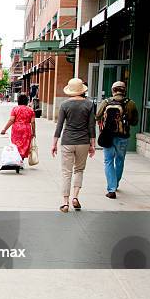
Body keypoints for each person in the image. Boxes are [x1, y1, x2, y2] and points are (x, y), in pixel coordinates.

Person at [52, 78, 96, 213]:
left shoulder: (65, 105)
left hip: (67, 141)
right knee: (79, 170)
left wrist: (54, 143)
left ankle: (65, 203)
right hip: (83, 141)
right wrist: (92, 144)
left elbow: (59, 125)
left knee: (66, 172)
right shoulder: (89, 104)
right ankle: (75, 197)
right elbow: (91, 126)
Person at [95, 81, 139, 199]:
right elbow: (135, 122)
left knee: (108, 161)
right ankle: (116, 183)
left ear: (113, 90)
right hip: (123, 137)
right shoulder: (131, 103)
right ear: (124, 90)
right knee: (119, 160)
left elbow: (97, 116)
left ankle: (111, 188)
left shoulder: (106, 102)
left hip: (107, 136)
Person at [0, 94, 35, 161]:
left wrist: (4, 129)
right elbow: (33, 122)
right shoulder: (30, 110)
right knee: (24, 145)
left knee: (16, 145)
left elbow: (11, 120)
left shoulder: (15, 109)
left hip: (17, 129)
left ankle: (17, 160)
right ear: (26, 101)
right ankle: (21, 160)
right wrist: (33, 132)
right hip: (26, 129)